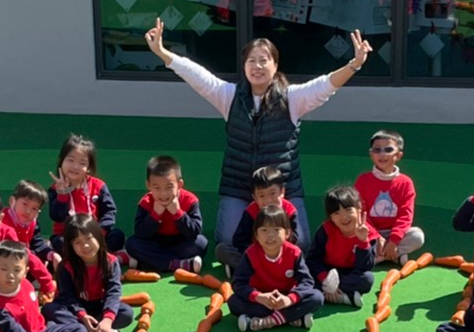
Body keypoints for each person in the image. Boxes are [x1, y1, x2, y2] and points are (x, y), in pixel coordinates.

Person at [142, 18, 371, 253]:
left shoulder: (292, 98)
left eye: (264, 60)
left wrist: (354, 65)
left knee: (299, 243)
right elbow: (197, 76)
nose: (257, 66)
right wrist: (161, 52)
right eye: (251, 60)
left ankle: (259, 257)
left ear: (275, 65)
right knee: (228, 240)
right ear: (244, 66)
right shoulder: (229, 96)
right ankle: (251, 259)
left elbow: (325, 85)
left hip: (280, 190)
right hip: (239, 187)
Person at [46, 214, 134, 332]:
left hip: (98, 306)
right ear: (71, 246)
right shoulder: (66, 267)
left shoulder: (110, 262)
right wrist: (82, 315)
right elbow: (67, 297)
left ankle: (85, 331)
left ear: (98, 236)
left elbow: (113, 291)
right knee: (49, 309)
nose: (85, 245)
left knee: (126, 313)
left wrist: (107, 319)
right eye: (78, 242)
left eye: (89, 238)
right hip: (73, 309)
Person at [230, 205, 321, 332]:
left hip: (286, 297)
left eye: (276, 230)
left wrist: (290, 299)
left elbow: (307, 281)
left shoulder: (294, 253)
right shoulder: (250, 254)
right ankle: (291, 317)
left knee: (317, 297)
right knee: (233, 302)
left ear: (287, 233)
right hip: (262, 300)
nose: (270, 235)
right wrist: (258, 296)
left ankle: (268, 321)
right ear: (256, 234)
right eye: (264, 230)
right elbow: (238, 283)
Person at [126, 155, 207, 276]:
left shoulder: (190, 200)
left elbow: (195, 230)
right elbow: (140, 233)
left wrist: (178, 213)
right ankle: (177, 264)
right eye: (157, 188)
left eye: (169, 187)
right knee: (132, 243)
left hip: (180, 242)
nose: (163, 194)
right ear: (148, 185)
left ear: (179, 184)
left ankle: (150, 261)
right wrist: (155, 214)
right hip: (155, 242)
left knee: (201, 243)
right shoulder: (146, 202)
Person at [47, 134, 124, 258]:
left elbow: (109, 212)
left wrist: (98, 232)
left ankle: (94, 256)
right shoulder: (55, 189)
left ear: (89, 168)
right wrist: (62, 194)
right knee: (59, 242)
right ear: (61, 161)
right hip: (69, 237)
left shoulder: (99, 186)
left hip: (94, 235)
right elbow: (57, 216)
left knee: (117, 236)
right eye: (70, 160)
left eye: (82, 163)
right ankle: (100, 256)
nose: (75, 166)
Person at [356, 129, 424, 266]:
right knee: (351, 237)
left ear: (398, 155)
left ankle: (380, 256)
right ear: (371, 154)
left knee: (417, 236)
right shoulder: (363, 180)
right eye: (377, 150)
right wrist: (376, 236)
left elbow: (406, 215)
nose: (382, 154)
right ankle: (394, 255)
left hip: (395, 233)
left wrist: (394, 240)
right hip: (370, 232)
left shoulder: (405, 182)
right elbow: (360, 213)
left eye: (388, 149)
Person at [307, 183, 375, 307]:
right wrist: (325, 279)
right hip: (326, 271)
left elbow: (365, 267)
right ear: (330, 217)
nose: (344, 217)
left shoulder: (368, 232)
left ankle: (326, 293)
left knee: (367, 279)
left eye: (348, 210)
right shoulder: (326, 230)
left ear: (359, 208)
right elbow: (312, 259)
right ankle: (343, 297)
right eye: (336, 213)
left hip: (349, 274)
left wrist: (363, 241)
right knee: (305, 276)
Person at [218, 165, 297, 271]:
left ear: (282, 192)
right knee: (222, 249)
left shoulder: (289, 211)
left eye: (272, 193)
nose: (268, 200)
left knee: (300, 249)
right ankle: (253, 269)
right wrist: (256, 251)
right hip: (256, 256)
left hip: (281, 256)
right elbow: (240, 239)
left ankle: (245, 271)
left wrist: (277, 248)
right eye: (261, 196)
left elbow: (294, 238)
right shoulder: (251, 212)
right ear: (255, 198)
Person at [0, 179, 57, 279]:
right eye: (25, 204)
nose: (28, 211)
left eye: (34, 208)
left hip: (23, 261)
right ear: (12, 201)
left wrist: (51, 254)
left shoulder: (33, 223)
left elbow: (37, 244)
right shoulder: (1, 220)